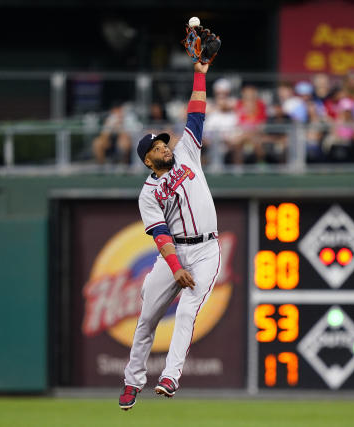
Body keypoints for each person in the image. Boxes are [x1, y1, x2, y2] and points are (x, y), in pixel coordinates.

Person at [119, 60, 221, 410]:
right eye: (156, 148)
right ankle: (133, 381)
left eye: (163, 143)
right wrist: (175, 266)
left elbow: (196, 112)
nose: (164, 147)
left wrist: (200, 72)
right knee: (147, 318)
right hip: (174, 252)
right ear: (148, 161)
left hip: (207, 249)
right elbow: (160, 235)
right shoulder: (148, 193)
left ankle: (169, 377)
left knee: (188, 311)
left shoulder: (187, 153)